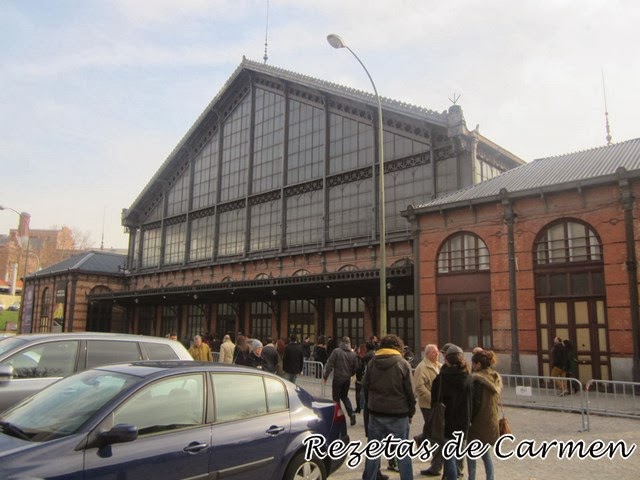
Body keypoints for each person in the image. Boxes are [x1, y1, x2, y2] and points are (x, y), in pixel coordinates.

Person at [361, 334, 416, 480]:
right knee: (403, 454)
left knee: (373, 453)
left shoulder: (373, 362)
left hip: (376, 413)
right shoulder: (403, 364)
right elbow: (411, 392)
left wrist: (370, 404)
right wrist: (411, 412)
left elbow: (365, 385)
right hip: (398, 414)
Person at [431, 344, 472, 480]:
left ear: (447, 360)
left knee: (449, 455)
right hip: (463, 421)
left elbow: (434, 401)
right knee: (459, 452)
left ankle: (452, 477)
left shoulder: (441, 378)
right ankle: (458, 474)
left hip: (447, 422)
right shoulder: (468, 377)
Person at [467, 350, 502, 480]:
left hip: (478, 422)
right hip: (491, 420)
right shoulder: (495, 376)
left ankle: (472, 478)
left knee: (471, 454)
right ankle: (490, 478)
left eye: (474, 363)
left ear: (478, 364)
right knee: (485, 454)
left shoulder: (477, 381)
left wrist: (469, 419)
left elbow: (475, 403)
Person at [413, 344, 443, 477]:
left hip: (439, 406)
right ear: (427, 354)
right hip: (428, 405)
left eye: (437, 352)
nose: (437, 354)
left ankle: (422, 438)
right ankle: (436, 466)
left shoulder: (440, 366)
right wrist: (434, 399)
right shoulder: (422, 367)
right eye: (434, 352)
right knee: (436, 436)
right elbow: (419, 387)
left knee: (434, 432)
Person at [323, 336, 359, 426]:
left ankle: (339, 416)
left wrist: (325, 376)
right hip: (346, 379)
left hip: (338, 378)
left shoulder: (336, 351)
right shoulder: (353, 354)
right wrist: (350, 374)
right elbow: (356, 367)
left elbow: (330, 365)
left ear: (341, 342)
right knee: (345, 397)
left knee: (336, 398)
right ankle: (351, 414)